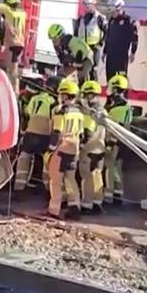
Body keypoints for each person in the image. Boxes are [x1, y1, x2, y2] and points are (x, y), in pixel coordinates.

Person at [47, 79, 85, 220]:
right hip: (74, 149)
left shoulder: (60, 111)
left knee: (55, 180)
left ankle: (54, 210)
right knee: (71, 179)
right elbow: (82, 133)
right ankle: (75, 207)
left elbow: (57, 132)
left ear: (64, 95)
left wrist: (50, 149)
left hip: (61, 148)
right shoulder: (80, 112)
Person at [15, 76, 60, 190]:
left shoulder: (35, 98)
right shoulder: (54, 102)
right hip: (45, 135)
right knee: (46, 160)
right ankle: (47, 188)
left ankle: (19, 186)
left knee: (24, 157)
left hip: (30, 133)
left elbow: (28, 112)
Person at [104, 73, 133, 206]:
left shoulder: (117, 108)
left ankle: (108, 196)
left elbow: (117, 128)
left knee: (110, 167)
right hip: (124, 142)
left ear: (115, 89)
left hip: (115, 142)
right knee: (116, 169)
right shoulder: (125, 105)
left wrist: (110, 143)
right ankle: (118, 194)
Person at [78, 80, 107, 214]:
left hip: (88, 150)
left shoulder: (89, 114)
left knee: (87, 177)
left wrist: (81, 145)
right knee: (97, 175)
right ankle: (97, 202)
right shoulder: (103, 111)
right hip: (100, 148)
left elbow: (88, 132)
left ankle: (87, 205)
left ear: (88, 95)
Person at [0, 0, 27, 92]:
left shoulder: (8, 11)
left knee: (12, 72)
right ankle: (15, 91)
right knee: (13, 70)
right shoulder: (23, 13)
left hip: (12, 43)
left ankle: (13, 94)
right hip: (20, 43)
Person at [103, 0, 139, 82]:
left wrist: (133, 52)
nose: (112, 13)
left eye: (114, 11)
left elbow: (135, 37)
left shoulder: (128, 20)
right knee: (110, 78)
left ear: (119, 8)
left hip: (122, 55)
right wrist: (105, 51)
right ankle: (110, 95)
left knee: (121, 78)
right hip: (110, 54)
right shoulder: (111, 20)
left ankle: (122, 95)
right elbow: (108, 36)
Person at [74, 0, 107, 82]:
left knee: (93, 69)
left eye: (88, 5)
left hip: (94, 47)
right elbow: (76, 34)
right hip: (82, 47)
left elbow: (107, 32)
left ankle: (94, 88)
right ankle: (81, 88)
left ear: (93, 5)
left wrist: (100, 44)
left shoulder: (100, 18)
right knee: (80, 70)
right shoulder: (80, 19)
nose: (87, 8)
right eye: (85, 6)